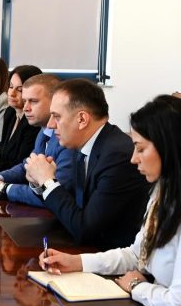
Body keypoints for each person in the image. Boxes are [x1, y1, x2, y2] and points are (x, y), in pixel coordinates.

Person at [40, 95, 181, 306]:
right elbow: (136, 255)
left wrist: (136, 286)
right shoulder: (164, 191)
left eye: (140, 148)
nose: (133, 158)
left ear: (171, 148)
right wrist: (77, 262)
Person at [25, 78, 149, 250]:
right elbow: (67, 204)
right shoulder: (84, 144)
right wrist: (40, 182)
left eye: (57, 117)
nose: (51, 125)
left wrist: (47, 181)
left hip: (111, 254)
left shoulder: (117, 156)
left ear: (82, 119)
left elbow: (85, 229)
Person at [0, 74, 75, 207]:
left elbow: (54, 195)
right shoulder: (44, 132)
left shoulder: (67, 139)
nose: (25, 108)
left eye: (33, 101)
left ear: (54, 101)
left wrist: (3, 188)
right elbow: (27, 166)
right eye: (25, 101)